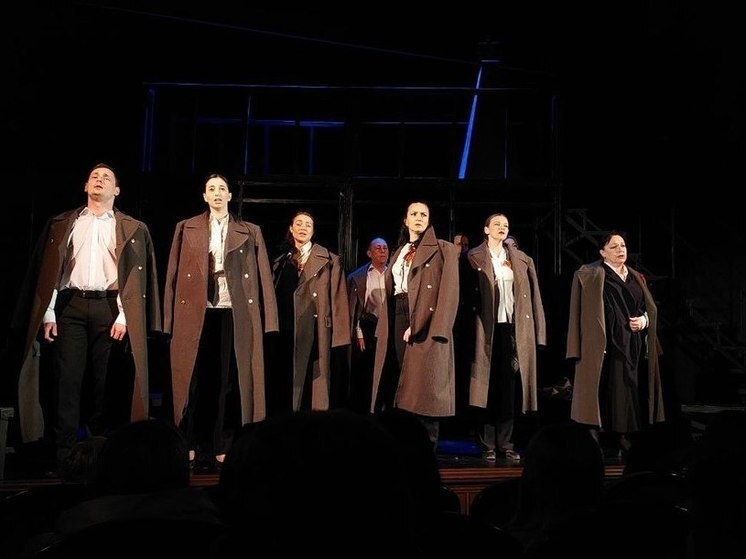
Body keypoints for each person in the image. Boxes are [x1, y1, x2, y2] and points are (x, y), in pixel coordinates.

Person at [9, 162, 161, 469]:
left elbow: (138, 277)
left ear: (117, 190)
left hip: (109, 307)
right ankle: (65, 452)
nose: (99, 180)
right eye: (94, 176)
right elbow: (51, 269)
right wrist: (49, 312)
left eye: (106, 178)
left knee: (103, 382)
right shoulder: (64, 223)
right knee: (67, 380)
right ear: (85, 186)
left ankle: (98, 451)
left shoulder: (132, 227)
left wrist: (124, 316)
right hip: (71, 306)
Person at [163, 173, 278, 471]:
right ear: (204, 196)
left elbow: (264, 277)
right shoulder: (185, 227)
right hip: (196, 309)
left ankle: (222, 443)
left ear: (229, 195)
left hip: (232, 308)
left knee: (228, 379)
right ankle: (187, 440)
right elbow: (172, 274)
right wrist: (168, 319)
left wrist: (269, 320)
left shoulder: (250, 230)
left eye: (222, 189)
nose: (217, 193)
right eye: (211, 189)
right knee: (192, 377)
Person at [565, 230, 665, 454]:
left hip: (632, 342)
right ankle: (597, 436)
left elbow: (648, 308)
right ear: (603, 252)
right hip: (603, 343)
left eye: (623, 246)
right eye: (614, 247)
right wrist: (575, 347)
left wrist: (644, 321)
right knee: (601, 389)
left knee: (628, 388)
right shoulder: (590, 274)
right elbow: (576, 312)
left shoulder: (636, 277)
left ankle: (624, 435)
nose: (620, 250)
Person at [371, 201, 459, 444]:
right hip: (397, 314)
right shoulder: (399, 251)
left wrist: (431, 325)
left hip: (425, 318)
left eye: (423, 214)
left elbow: (449, 293)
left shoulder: (443, 248)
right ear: (406, 220)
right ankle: (404, 442)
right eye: (414, 214)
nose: (419, 217)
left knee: (424, 385)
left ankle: (426, 447)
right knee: (402, 381)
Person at [465, 213, 546, 462]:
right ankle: (487, 444)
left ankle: (506, 443)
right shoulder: (472, 257)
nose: (502, 228)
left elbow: (534, 297)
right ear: (486, 229)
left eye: (506, 225)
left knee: (509, 389)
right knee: (485, 388)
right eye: (497, 224)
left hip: (511, 328)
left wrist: (539, 332)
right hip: (485, 329)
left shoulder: (521, 258)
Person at [268, 210, 350, 414]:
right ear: (291, 228)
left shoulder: (329, 260)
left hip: (315, 328)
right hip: (286, 329)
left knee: (311, 384)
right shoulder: (280, 261)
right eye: (299, 223)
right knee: (285, 381)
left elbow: (338, 299)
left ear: (313, 231)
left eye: (308, 225)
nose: (303, 228)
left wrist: (340, 336)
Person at [346, 236, 389, 413]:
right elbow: (353, 309)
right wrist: (358, 333)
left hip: (388, 327)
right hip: (368, 328)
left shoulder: (394, 274)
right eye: (378, 248)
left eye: (385, 248)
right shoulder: (358, 276)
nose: (382, 251)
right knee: (366, 372)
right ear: (369, 253)